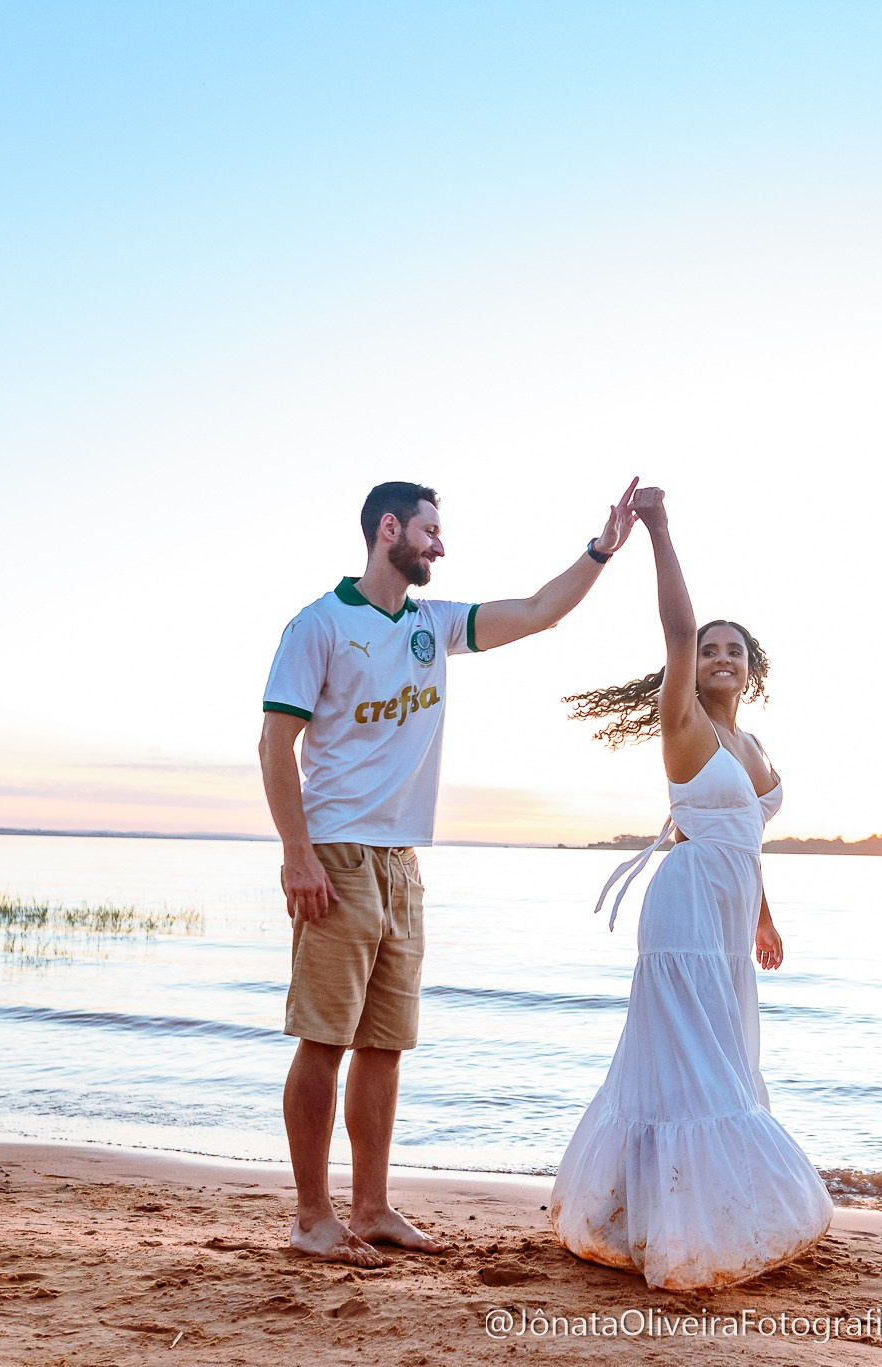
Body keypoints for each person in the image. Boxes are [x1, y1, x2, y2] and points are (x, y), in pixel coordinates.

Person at [260, 477, 638, 1267]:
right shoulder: (319, 624)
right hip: (335, 851)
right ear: (387, 528)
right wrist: (297, 854)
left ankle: (371, 1205)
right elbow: (275, 746)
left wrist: (601, 549)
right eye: (430, 530)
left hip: (402, 862)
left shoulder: (436, 623)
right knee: (324, 1041)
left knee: (385, 1045)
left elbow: (540, 610)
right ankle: (311, 1216)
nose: (440, 544)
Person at [549, 486, 832, 1291]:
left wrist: (765, 918)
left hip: (728, 915)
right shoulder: (685, 721)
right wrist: (660, 531)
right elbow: (676, 628)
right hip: (681, 914)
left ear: (752, 669)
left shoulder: (754, 741)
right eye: (709, 648)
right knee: (692, 1069)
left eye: (732, 651)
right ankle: (679, 1227)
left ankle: (667, 1209)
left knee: (724, 1063)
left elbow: (750, 839)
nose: (717, 658)